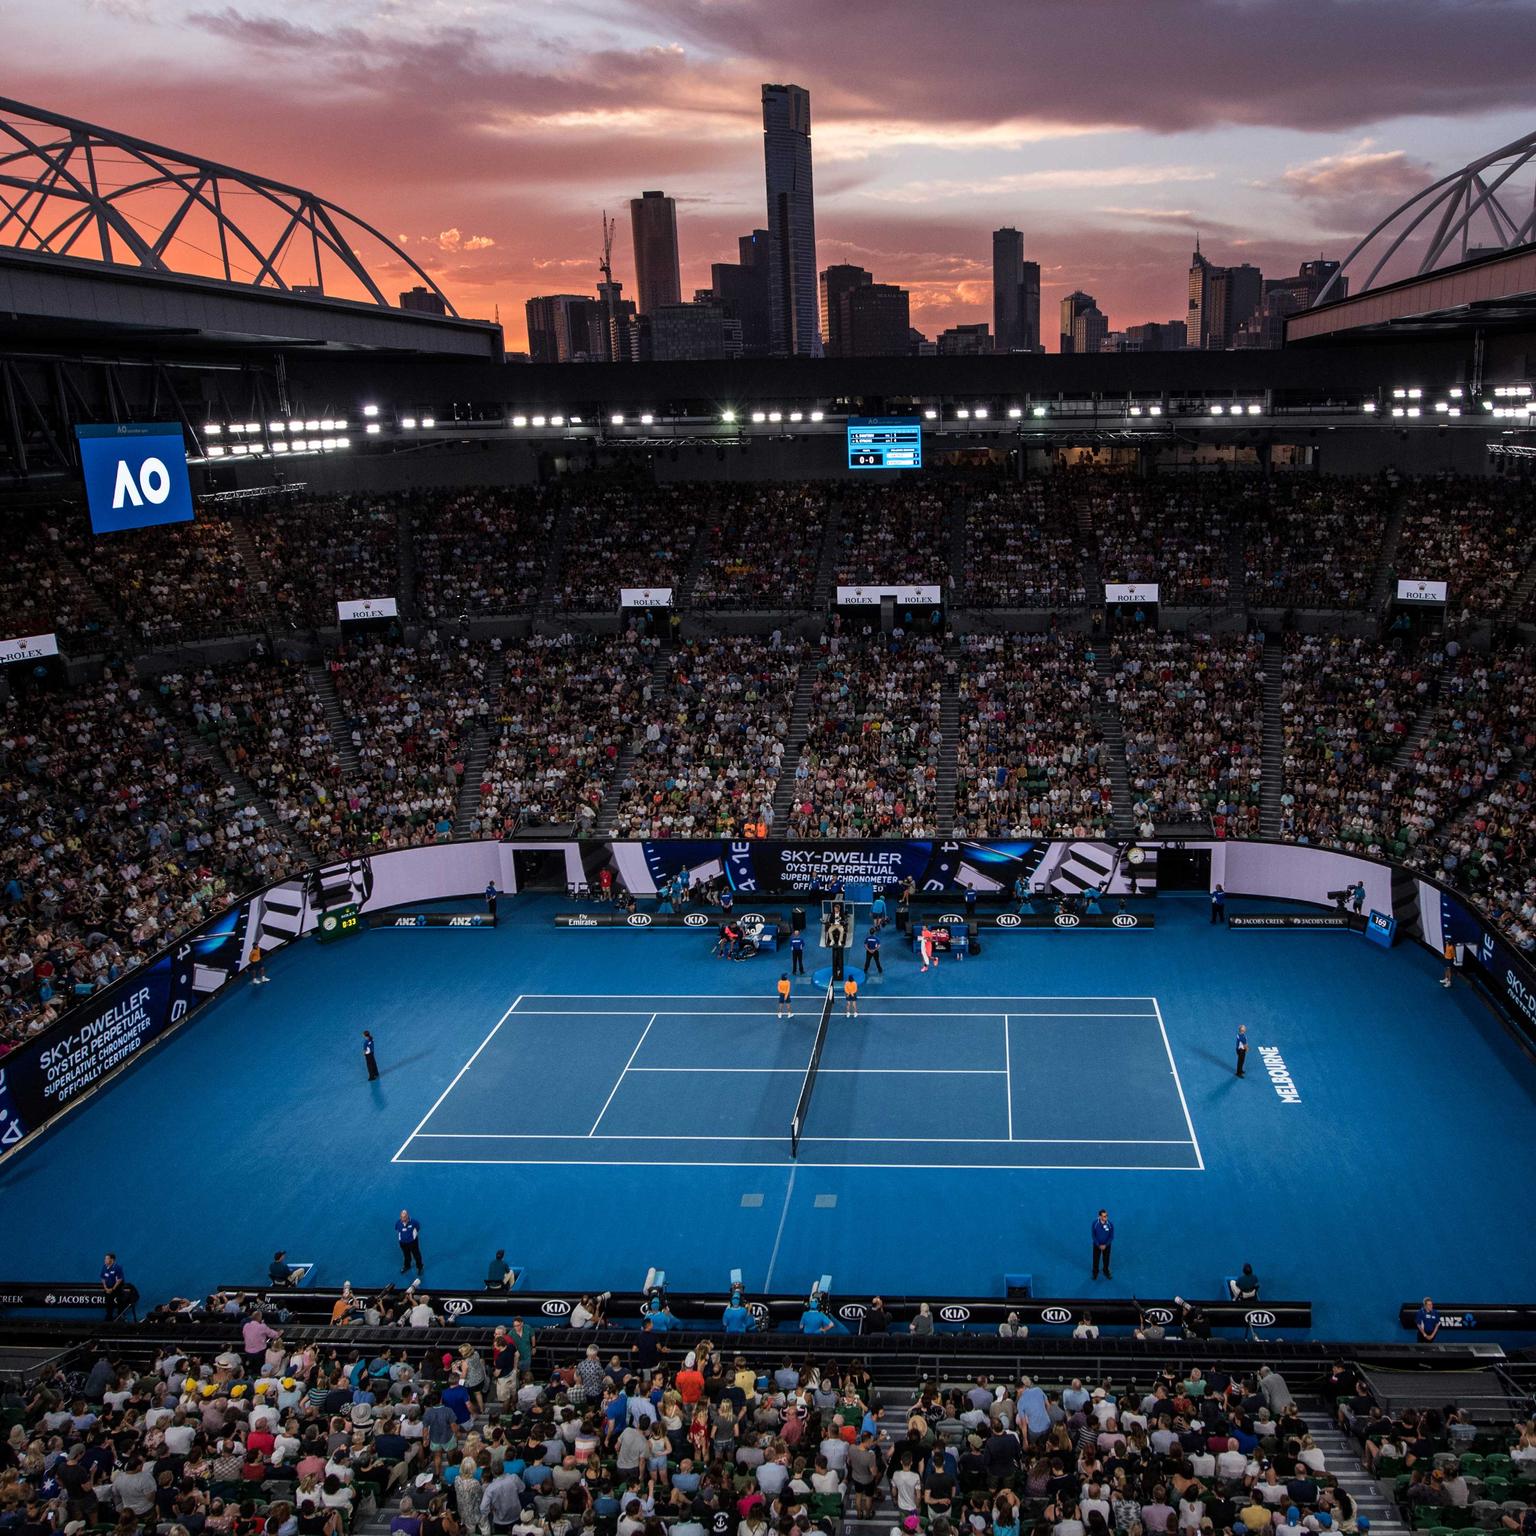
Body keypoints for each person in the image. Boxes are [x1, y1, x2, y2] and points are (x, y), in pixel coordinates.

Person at [396, 1210, 424, 1276]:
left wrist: (412, 1237)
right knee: (406, 1255)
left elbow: (418, 1228)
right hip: (403, 1243)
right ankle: (407, 1266)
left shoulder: (414, 1222)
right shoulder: (398, 1223)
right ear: (400, 1217)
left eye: (405, 1217)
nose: (403, 1219)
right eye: (402, 1217)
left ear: (407, 1216)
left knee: (416, 1255)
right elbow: (397, 1230)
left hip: (413, 1243)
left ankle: (420, 1267)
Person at [101, 1252, 127, 1321]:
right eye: (105, 1259)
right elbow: (103, 1278)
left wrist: (112, 1289)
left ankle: (120, 1317)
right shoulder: (104, 1267)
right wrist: (106, 1288)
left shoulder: (118, 1267)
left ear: (112, 1260)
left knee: (120, 1302)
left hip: (117, 1288)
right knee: (108, 1304)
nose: (105, 1260)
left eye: (106, 1259)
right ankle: (109, 1318)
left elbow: (119, 1280)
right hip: (108, 1288)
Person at [1091, 1210, 1114, 1280]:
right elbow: (1093, 1235)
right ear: (1099, 1216)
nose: (1106, 1217)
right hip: (1097, 1245)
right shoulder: (1095, 1224)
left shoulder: (1110, 1224)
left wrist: (1106, 1245)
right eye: (1104, 1216)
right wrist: (1098, 1245)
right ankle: (1095, 1272)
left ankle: (1106, 1271)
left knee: (1106, 1259)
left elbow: (1111, 1236)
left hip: (1107, 1246)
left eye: (1107, 1215)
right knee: (1096, 1259)